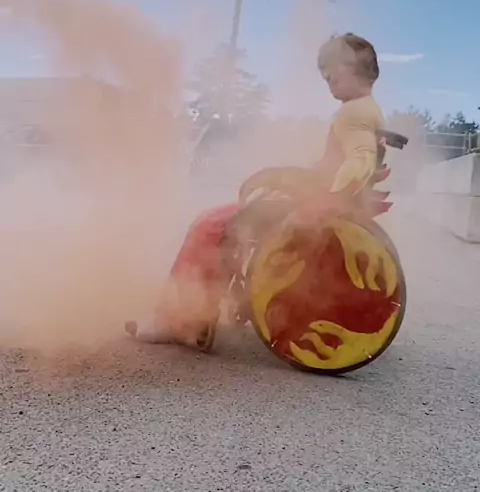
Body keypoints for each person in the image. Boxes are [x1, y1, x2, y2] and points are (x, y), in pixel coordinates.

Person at [125, 33, 389, 351]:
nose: (327, 76)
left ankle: (178, 319)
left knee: (210, 224)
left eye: (333, 67)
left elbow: (360, 161)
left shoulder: (355, 114)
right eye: (324, 70)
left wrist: (320, 204)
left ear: (355, 66)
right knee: (221, 218)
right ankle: (199, 309)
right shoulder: (366, 109)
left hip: (318, 205)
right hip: (319, 198)